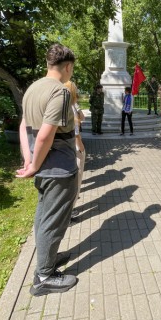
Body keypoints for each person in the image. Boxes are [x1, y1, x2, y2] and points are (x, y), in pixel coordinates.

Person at [16, 43, 78, 296]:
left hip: (42, 165)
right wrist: (34, 165)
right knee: (53, 221)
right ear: (68, 67)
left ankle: (47, 258)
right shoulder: (59, 92)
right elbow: (45, 136)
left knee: (43, 216)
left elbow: (24, 127)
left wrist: (29, 160)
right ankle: (44, 276)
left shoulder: (33, 88)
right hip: (58, 168)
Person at [64, 81, 85, 221]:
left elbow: (81, 117)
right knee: (75, 181)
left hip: (67, 147)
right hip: (75, 147)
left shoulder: (70, 105)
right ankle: (69, 213)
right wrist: (81, 147)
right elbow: (75, 131)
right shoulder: (69, 106)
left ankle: (68, 210)